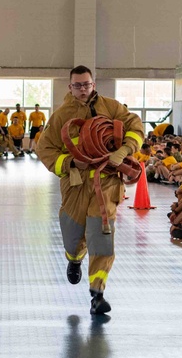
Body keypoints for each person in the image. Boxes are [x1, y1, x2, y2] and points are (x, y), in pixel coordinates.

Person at [36, 65, 145, 316]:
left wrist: (124, 150)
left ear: (93, 84)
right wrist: (72, 161)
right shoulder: (61, 116)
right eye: (78, 85)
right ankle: (74, 258)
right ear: (70, 87)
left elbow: (136, 127)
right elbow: (45, 150)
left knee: (101, 236)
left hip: (106, 182)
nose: (83, 89)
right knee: (73, 236)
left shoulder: (112, 107)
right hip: (75, 184)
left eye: (87, 84)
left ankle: (97, 294)